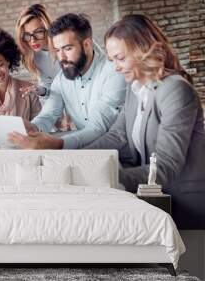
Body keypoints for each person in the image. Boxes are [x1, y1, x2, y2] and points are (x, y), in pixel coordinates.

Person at [85, 14, 205, 229]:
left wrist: (104, 175)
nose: (116, 67)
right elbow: (118, 136)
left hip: (187, 205)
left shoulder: (175, 89)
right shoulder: (135, 89)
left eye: (120, 58)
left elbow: (166, 165)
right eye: (112, 60)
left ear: (142, 50)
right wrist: (79, 158)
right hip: (156, 201)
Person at [8, 13, 126, 149]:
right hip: (86, 151)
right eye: (57, 50)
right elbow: (48, 115)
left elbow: (97, 128)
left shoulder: (114, 72)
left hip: (120, 153)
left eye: (68, 48)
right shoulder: (61, 79)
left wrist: (57, 143)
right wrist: (32, 127)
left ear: (87, 44)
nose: (61, 57)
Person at [15, 3, 60, 98]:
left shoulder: (67, 42)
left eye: (38, 32)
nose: (32, 40)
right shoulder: (36, 56)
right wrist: (40, 90)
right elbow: (48, 85)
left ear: (48, 29)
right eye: (27, 35)